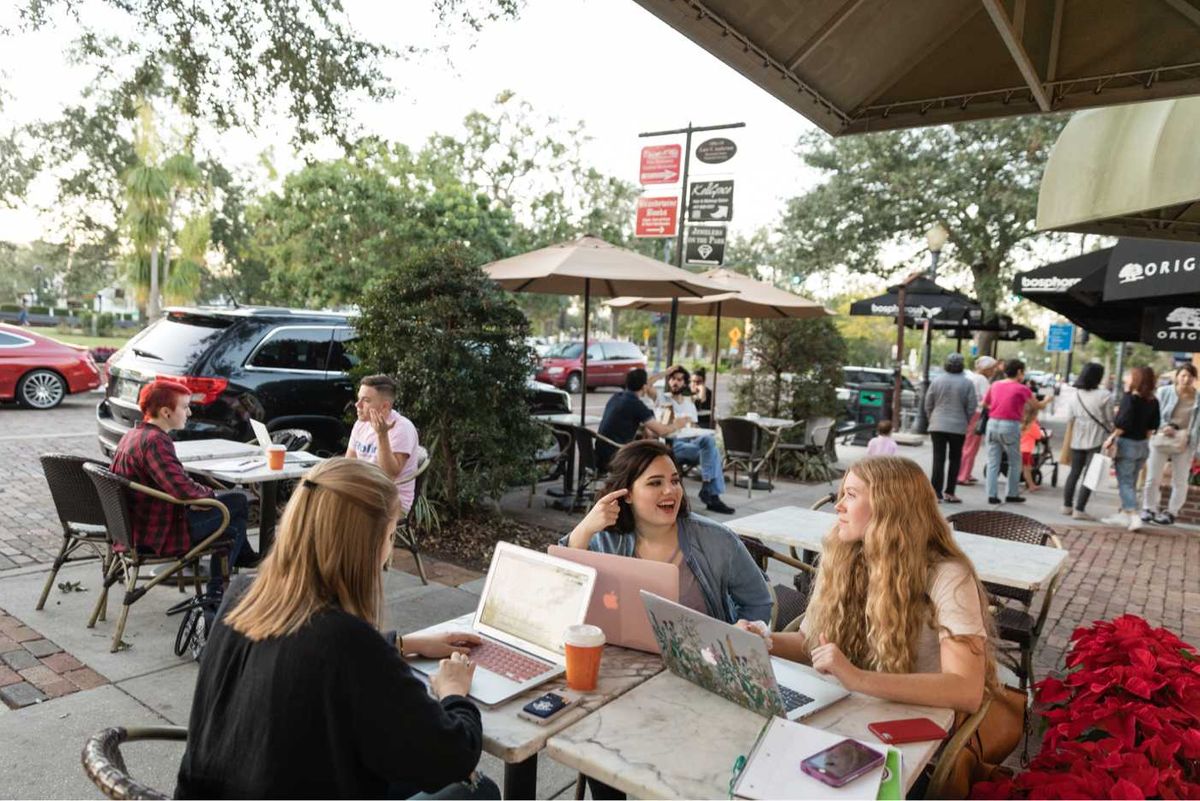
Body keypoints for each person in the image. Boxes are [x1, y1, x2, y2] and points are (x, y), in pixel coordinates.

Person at [176, 458, 498, 800]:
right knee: (477, 790)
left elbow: (307, 655)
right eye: (390, 535)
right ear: (366, 546)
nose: (389, 552)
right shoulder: (345, 642)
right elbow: (452, 756)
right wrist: (453, 693)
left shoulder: (243, 593)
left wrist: (400, 644)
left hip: (233, 786)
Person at [736, 456, 996, 715]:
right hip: (856, 711)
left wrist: (857, 678)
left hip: (922, 723)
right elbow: (810, 643)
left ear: (889, 507)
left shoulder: (948, 576)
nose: (838, 505)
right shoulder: (843, 556)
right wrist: (762, 641)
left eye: (851, 495)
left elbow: (966, 690)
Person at [563, 439, 771, 625]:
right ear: (626, 494)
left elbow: (759, 602)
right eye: (655, 483)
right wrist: (584, 529)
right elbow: (563, 593)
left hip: (704, 660)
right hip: (625, 657)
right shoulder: (605, 540)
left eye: (674, 480)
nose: (670, 490)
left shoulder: (717, 539)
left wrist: (738, 637)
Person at [110, 379, 252, 597]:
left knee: (233, 525)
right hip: (158, 533)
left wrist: (204, 495)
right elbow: (182, 490)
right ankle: (218, 590)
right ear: (166, 412)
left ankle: (229, 575)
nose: (190, 413)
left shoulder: (133, 434)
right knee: (237, 503)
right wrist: (211, 496)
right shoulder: (156, 441)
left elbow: (173, 482)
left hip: (132, 529)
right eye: (185, 407)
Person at [656, 365, 735, 514]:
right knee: (712, 453)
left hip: (689, 442)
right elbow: (647, 384)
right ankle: (712, 495)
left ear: (684, 383)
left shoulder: (688, 403)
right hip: (671, 445)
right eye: (673, 378)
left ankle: (707, 486)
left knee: (709, 442)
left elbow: (693, 428)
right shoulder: (662, 398)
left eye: (679, 379)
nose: (675, 382)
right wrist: (665, 371)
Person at [346, 374, 420, 513]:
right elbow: (349, 464)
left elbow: (388, 475)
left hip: (392, 502)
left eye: (366, 400)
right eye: (358, 399)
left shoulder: (402, 428)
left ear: (385, 406)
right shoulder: (360, 424)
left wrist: (382, 435)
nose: (358, 405)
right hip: (364, 493)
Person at [982, 359, 1049, 505]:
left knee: (993, 461)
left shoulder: (995, 385)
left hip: (992, 424)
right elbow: (1036, 406)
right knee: (1015, 461)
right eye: (1023, 371)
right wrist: (1047, 400)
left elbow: (985, 404)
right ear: (1019, 372)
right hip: (1010, 425)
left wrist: (997, 408)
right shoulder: (1022, 388)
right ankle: (1011, 493)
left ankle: (991, 495)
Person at [1102, 366, 1160, 532]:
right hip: (1143, 445)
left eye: (1129, 376)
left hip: (1127, 444)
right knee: (1132, 481)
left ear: (1137, 379)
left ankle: (1134, 515)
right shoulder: (1153, 401)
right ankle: (1125, 514)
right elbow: (1152, 427)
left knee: (1125, 482)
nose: (1126, 378)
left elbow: (1123, 424)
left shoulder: (1130, 399)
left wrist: (1111, 438)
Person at [1142, 364, 1200, 526]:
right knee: (1153, 477)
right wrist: (1163, 426)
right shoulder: (1164, 392)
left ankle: (1171, 512)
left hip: (1185, 442)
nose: (1186, 379)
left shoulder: (1198, 398)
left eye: (1190, 376)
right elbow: (1154, 413)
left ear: (1195, 379)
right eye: (1183, 375)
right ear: (1177, 377)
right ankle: (1149, 508)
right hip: (1161, 437)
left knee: (1180, 480)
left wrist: (1197, 450)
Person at [1060, 362, 1113, 520]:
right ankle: (1079, 509)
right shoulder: (1104, 395)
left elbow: (1069, 417)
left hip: (1078, 436)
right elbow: (1110, 419)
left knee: (1074, 472)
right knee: (1091, 474)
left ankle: (1066, 506)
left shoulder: (1075, 394)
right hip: (1097, 438)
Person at [923, 352, 977, 504]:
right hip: (958, 426)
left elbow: (928, 402)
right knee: (955, 459)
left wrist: (931, 418)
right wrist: (964, 420)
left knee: (938, 459)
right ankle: (950, 492)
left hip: (937, 424)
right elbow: (972, 406)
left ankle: (936, 493)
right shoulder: (967, 383)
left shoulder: (937, 380)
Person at [957, 356, 998, 486]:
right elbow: (986, 401)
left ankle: (965, 472)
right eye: (992, 368)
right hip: (977, 414)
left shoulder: (971, 377)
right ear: (986, 369)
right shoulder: (982, 379)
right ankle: (963, 475)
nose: (994, 371)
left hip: (968, 414)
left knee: (967, 444)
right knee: (971, 446)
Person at [1019, 403, 1044, 493]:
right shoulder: (1032, 425)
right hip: (1026, 451)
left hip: (1018, 449)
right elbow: (1038, 436)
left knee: (1021, 469)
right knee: (1027, 469)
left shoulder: (1020, 422)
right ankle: (1031, 486)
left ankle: (1029, 484)